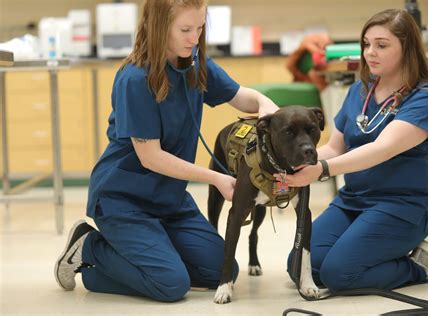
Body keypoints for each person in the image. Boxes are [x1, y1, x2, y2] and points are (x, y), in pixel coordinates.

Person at [54, 0, 279, 302]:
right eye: (185, 29)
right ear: (159, 27)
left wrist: (268, 108)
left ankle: (149, 255)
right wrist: (215, 178)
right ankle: (89, 247)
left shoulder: (196, 63)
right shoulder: (135, 78)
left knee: (222, 272)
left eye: (200, 29)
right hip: (123, 200)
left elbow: (242, 98)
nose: (194, 38)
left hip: (169, 200)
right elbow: (151, 157)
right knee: (170, 284)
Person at [281, 9, 428, 291]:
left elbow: (381, 149)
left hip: (401, 206)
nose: (369, 52)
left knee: (340, 274)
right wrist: (292, 164)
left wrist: (320, 170)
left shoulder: (426, 98)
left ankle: (419, 266)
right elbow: (334, 147)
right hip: (353, 200)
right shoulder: (357, 92)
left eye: (381, 45)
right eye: (366, 44)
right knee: (299, 266)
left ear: (407, 48)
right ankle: (369, 252)